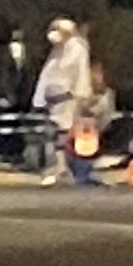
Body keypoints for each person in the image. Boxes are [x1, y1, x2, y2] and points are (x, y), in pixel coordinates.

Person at [32, 15, 96, 184]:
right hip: (53, 102)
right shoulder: (57, 52)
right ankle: (56, 168)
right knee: (53, 136)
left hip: (68, 100)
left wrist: (82, 97)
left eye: (56, 30)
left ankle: (63, 169)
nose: (52, 34)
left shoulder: (77, 48)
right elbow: (47, 77)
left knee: (63, 135)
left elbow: (81, 74)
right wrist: (39, 100)